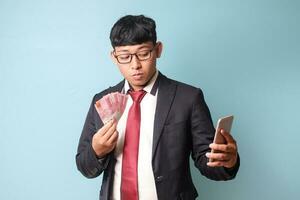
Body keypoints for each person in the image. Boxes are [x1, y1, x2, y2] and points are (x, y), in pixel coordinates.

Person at [76, 14, 240, 200]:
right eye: (125, 57)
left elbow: (207, 162)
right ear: (114, 57)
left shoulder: (188, 98)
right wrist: (96, 151)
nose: (135, 65)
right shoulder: (101, 101)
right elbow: (84, 166)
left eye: (144, 53)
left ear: (158, 49)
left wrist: (228, 161)